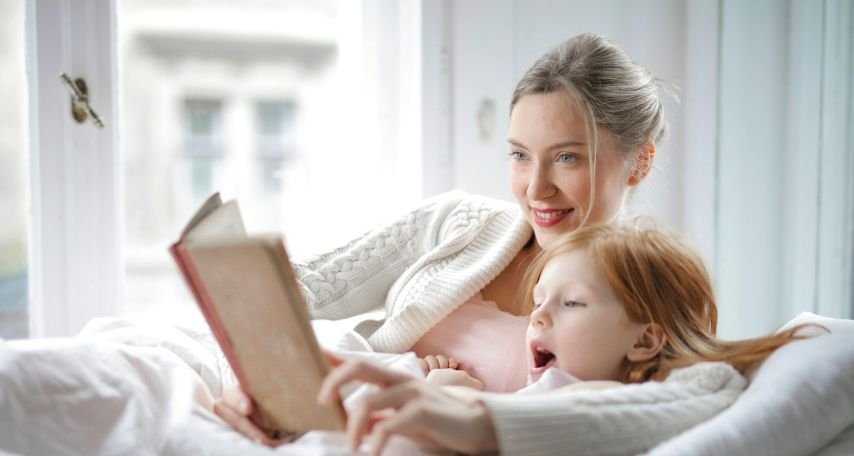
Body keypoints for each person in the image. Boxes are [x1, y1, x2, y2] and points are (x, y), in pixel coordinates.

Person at [215, 31, 667, 446]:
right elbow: (300, 295)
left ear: (640, 162)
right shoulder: (459, 222)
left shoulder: (648, 302)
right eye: (520, 155)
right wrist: (260, 385)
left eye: (567, 157)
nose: (534, 188)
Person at [317, 221, 811, 455]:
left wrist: (459, 400)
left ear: (644, 341)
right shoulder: (544, 391)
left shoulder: (602, 396)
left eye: (570, 302)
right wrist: (456, 390)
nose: (538, 318)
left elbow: (714, 385)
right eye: (537, 301)